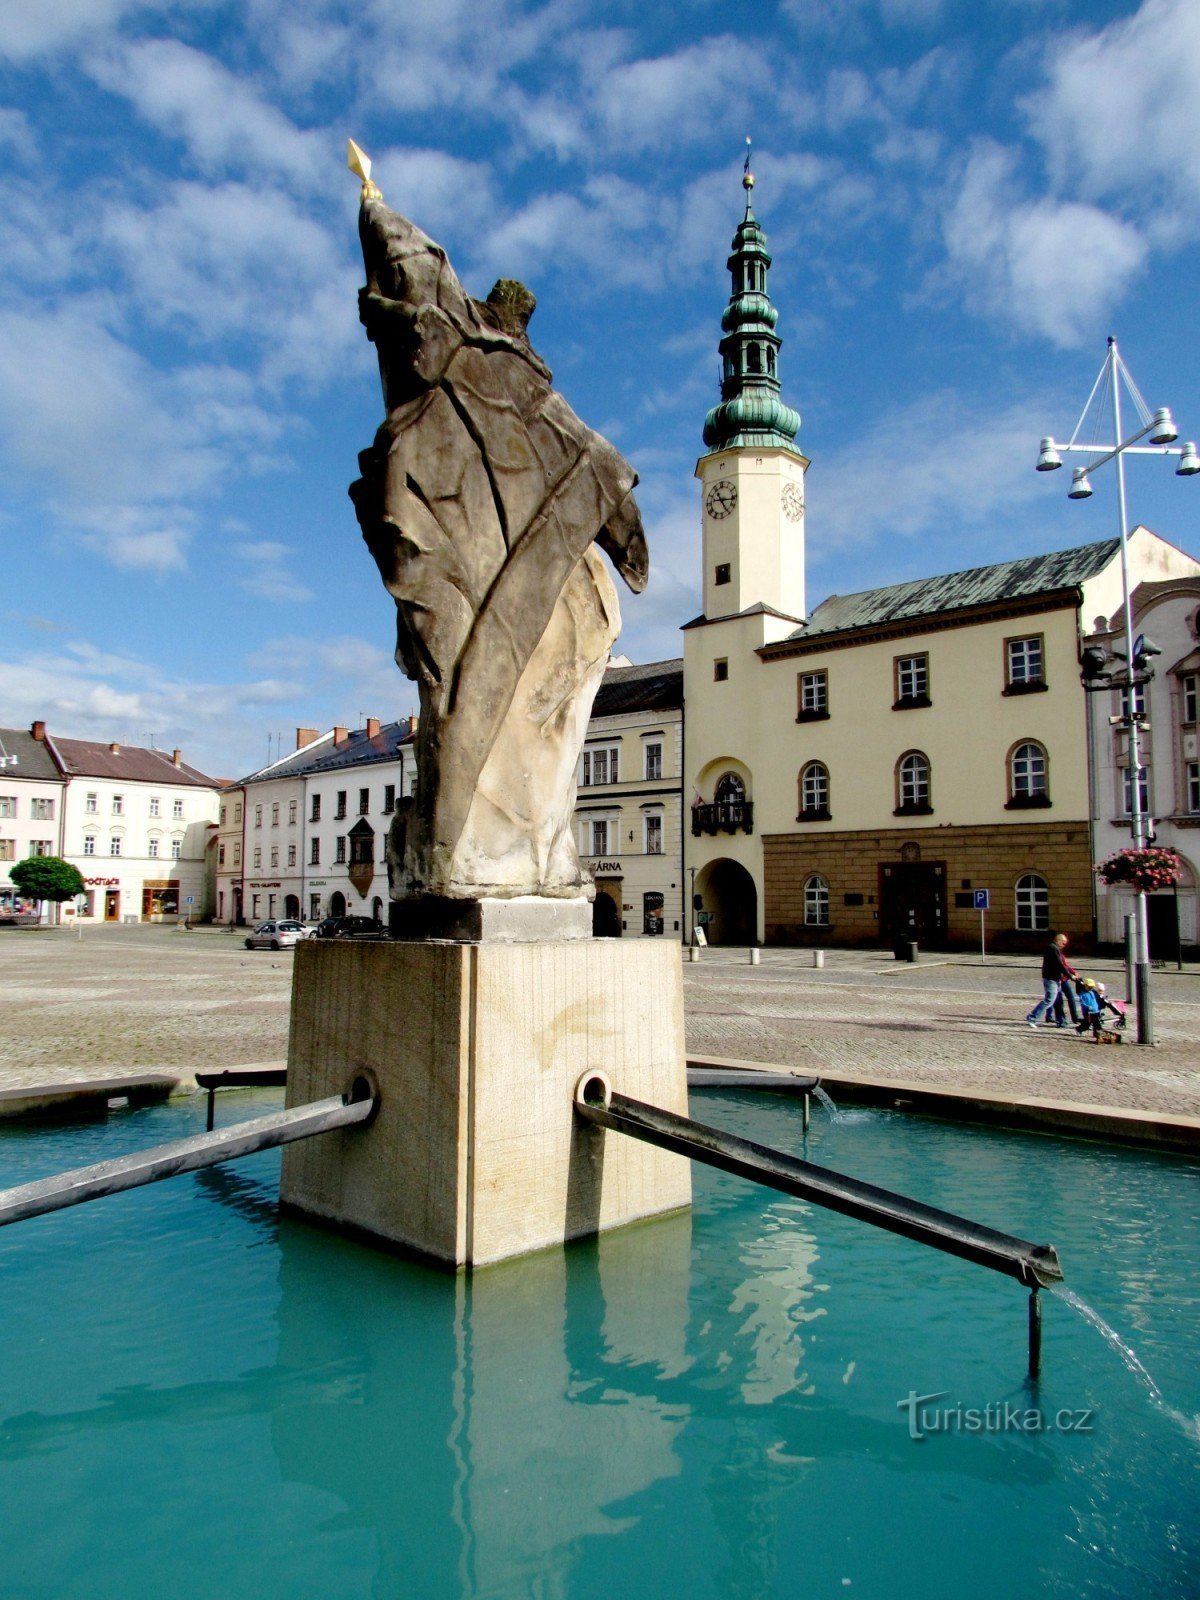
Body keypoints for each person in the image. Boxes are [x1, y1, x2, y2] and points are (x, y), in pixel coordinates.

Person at [1026, 933, 1073, 1027]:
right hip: (1051, 979)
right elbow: (1060, 964)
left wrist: (1069, 974)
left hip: (1055, 978)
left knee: (1058, 1001)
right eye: (1063, 943)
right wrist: (1069, 975)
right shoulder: (1053, 948)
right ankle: (1032, 1017)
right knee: (1049, 1000)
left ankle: (1061, 1022)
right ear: (1058, 941)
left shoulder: (1054, 949)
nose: (1064, 945)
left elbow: (1061, 965)